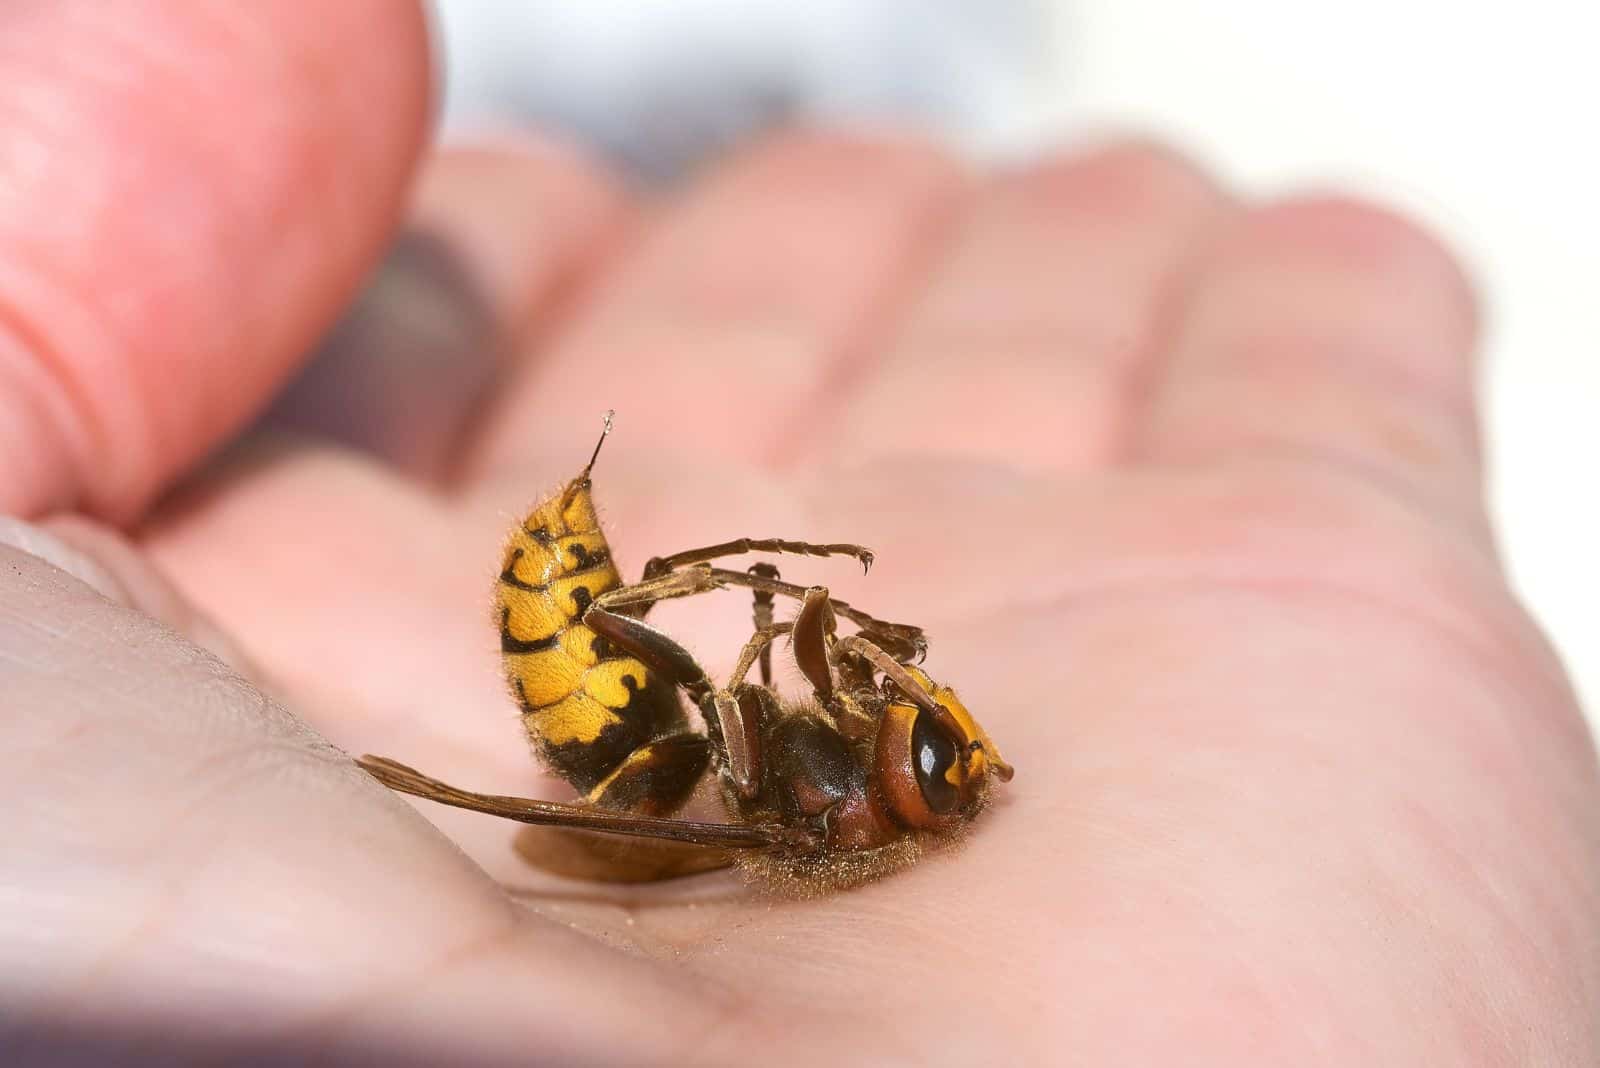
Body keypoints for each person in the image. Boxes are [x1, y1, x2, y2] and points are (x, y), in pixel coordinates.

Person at [2, 5, 1595, 1064]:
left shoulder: (775, 794)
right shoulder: (842, 758)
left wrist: (410, 789)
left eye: (927, 754)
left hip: (624, 743)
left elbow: (771, 679)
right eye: (933, 740)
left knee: (704, 668)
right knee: (728, 646)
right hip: (652, 696)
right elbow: (848, 690)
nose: (927, 733)